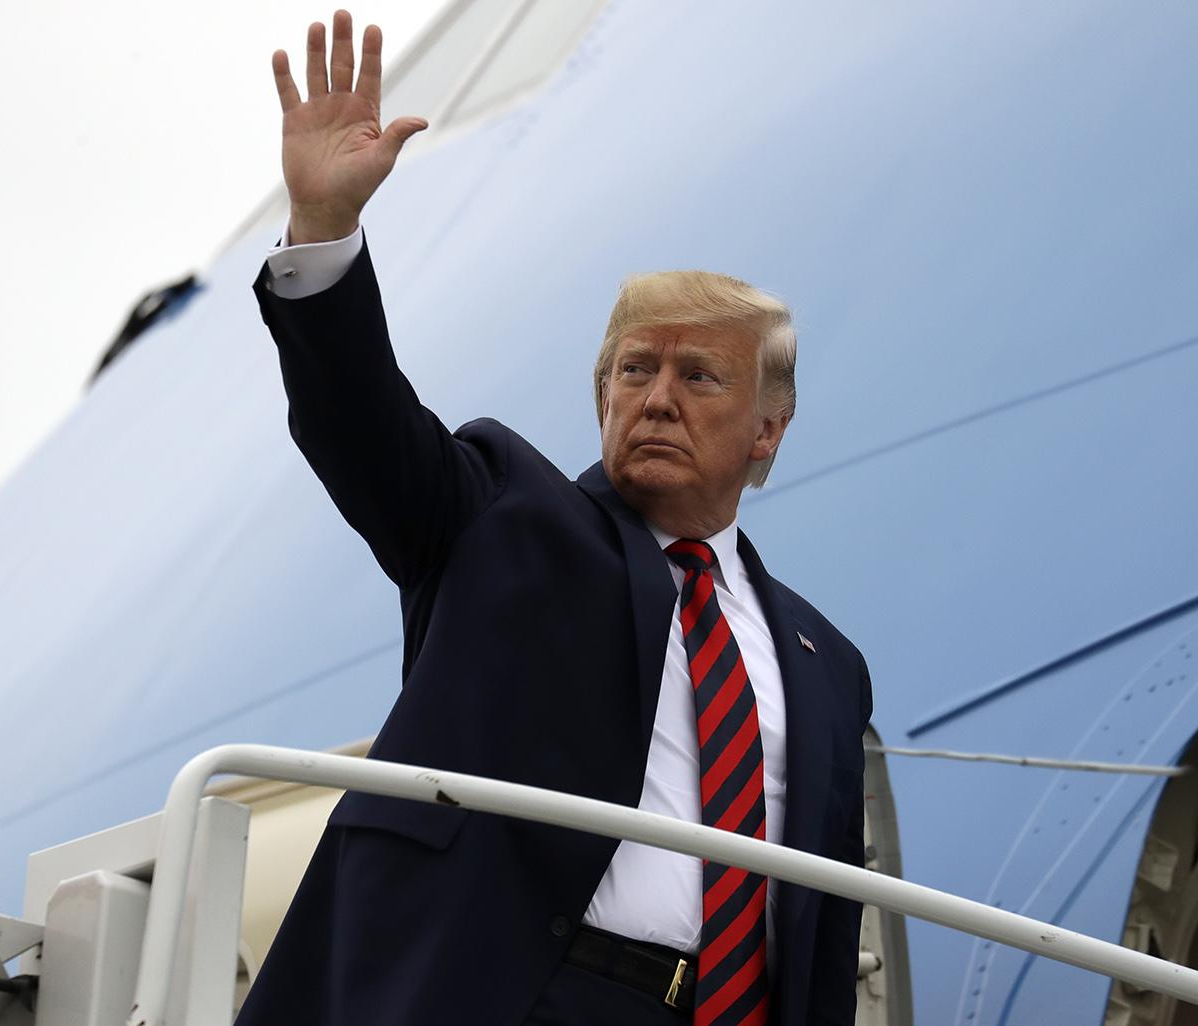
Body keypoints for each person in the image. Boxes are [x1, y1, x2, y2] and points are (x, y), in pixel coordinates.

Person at [234, 11, 873, 1026]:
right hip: (514, 994)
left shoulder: (827, 664)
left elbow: (826, 925)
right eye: (634, 370)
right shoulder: (501, 512)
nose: (655, 398)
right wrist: (324, 234)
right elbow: (360, 422)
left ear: (768, 432)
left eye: (697, 375)